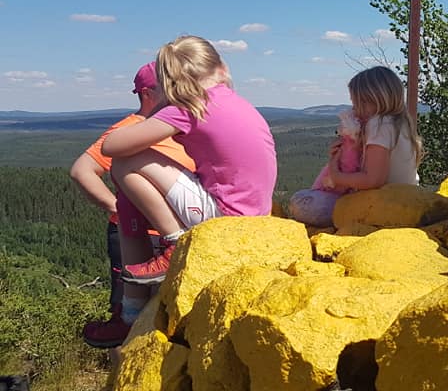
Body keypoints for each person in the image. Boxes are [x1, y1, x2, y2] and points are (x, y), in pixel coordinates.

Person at [102, 35, 277, 285]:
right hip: (257, 212)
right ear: (222, 67)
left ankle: (176, 244)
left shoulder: (190, 106)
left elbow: (112, 146)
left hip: (228, 216)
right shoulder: (235, 101)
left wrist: (159, 107)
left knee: (125, 162)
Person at [72, 62, 195, 348]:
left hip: (173, 234)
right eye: (171, 86)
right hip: (134, 235)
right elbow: (82, 170)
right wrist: (119, 208)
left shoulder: (179, 124)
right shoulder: (128, 129)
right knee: (129, 317)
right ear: (147, 93)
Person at [288, 66, 422, 228]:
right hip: (408, 200)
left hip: (383, 206)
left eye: (357, 104)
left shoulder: (379, 124)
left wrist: (336, 175)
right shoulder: (400, 123)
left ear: (371, 100)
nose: (354, 110)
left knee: (300, 201)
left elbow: (374, 179)